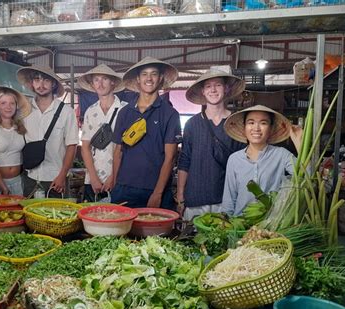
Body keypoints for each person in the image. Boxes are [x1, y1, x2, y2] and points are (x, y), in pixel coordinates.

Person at [111, 57, 181, 209]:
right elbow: (118, 152)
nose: (149, 78)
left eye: (154, 74)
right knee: (118, 233)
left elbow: (170, 158)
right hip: (124, 188)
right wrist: (116, 184)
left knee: (157, 233)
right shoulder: (125, 112)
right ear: (138, 79)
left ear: (160, 78)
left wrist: (157, 193)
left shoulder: (170, 114)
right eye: (144, 74)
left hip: (154, 190)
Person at [177, 69, 246, 221]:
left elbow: (243, 164)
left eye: (218, 85)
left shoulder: (236, 124)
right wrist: (180, 195)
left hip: (226, 199)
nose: (213, 90)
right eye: (208, 86)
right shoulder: (192, 124)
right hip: (195, 198)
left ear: (226, 88)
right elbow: (185, 160)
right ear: (203, 91)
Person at [220, 104, 302, 216]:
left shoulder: (281, 155)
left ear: (271, 128)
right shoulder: (234, 159)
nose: (256, 128)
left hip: (271, 226)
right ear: (244, 127)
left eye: (263, 123)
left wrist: (299, 144)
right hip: (240, 224)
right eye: (251, 122)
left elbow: (306, 177)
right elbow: (229, 201)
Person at [16, 66, 79, 198]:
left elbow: (71, 146)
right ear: (32, 83)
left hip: (56, 179)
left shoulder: (66, 112)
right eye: (37, 79)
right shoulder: (24, 110)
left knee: (57, 217)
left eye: (46, 80)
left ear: (53, 84)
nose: (41, 84)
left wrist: (62, 175)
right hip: (30, 177)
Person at [79, 64, 126, 202]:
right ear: (92, 84)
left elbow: (127, 149)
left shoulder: (126, 110)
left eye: (104, 79)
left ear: (113, 82)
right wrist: (93, 178)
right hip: (93, 181)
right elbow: (85, 147)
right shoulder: (90, 111)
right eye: (96, 80)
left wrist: (113, 177)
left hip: (120, 178)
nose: (100, 84)